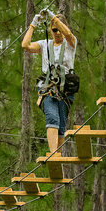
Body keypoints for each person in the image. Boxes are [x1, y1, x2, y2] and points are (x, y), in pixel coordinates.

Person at [22, 11, 77, 157]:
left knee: (61, 124)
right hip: (48, 87)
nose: (58, 33)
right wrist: (34, 23)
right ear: (50, 30)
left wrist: (53, 17)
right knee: (52, 117)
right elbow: (25, 45)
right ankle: (53, 154)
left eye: (60, 29)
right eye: (54, 30)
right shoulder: (44, 44)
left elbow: (68, 34)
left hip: (65, 89)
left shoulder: (70, 43)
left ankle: (57, 156)